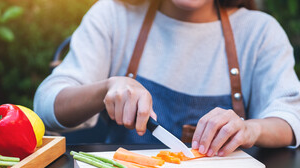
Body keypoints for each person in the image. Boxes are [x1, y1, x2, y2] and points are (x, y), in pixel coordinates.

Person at [34, 0, 300, 157]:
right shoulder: (113, 14)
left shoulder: (260, 32)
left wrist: (250, 129)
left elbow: (292, 118)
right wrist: (108, 87)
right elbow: (45, 107)